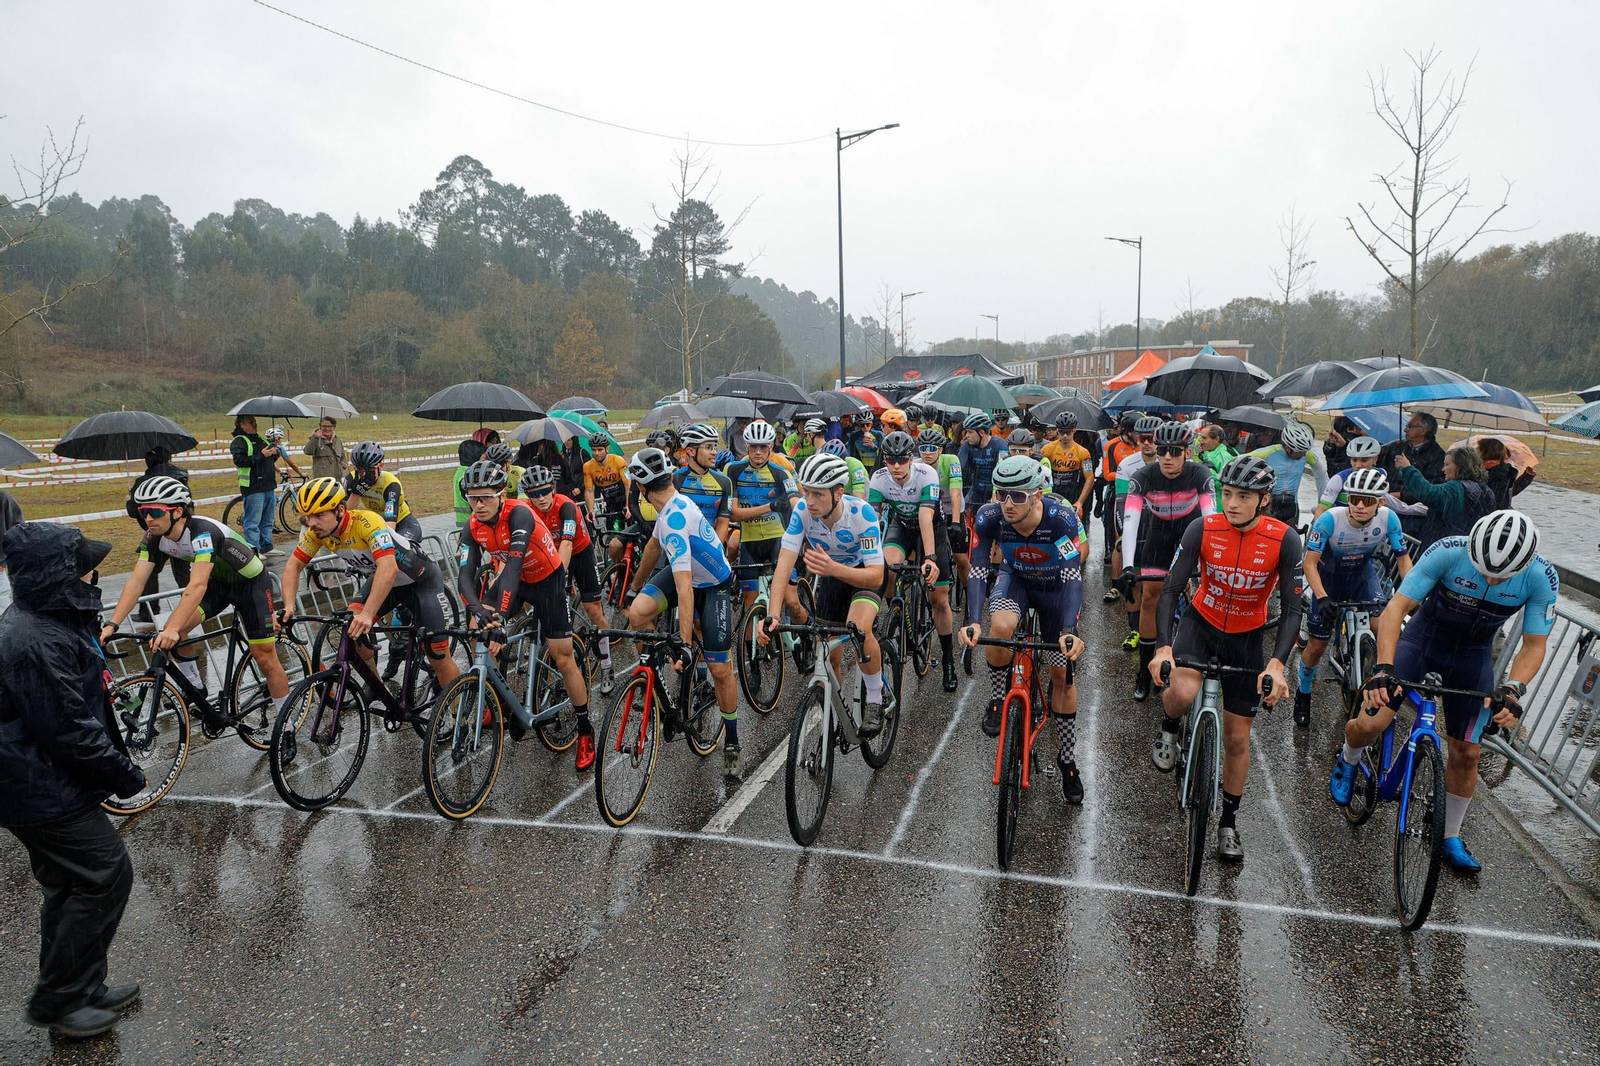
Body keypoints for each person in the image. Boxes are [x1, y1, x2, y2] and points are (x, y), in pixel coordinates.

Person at [1338, 511, 1557, 872]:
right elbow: (1397, 608)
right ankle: (1348, 758)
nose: (1490, 578)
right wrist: (1383, 669)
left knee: (1468, 752)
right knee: (1371, 725)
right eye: (1484, 569)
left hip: (1472, 657)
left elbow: (1534, 644)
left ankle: (1450, 835)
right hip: (1423, 641)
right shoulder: (1449, 550)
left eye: (1501, 576)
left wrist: (1513, 690)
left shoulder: (1541, 577)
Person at [1, 523, 146, 1039]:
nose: (94, 572)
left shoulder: (45, 618)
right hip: (34, 785)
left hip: (39, 778)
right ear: (55, 573)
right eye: (83, 565)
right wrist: (123, 774)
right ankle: (58, 1001)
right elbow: (67, 726)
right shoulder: (31, 638)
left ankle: (81, 987)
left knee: (67, 884)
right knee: (106, 873)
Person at [1149, 455, 1303, 863]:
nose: (1231, 503)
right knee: (1181, 690)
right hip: (1202, 623)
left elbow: (1291, 608)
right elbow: (1170, 589)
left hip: (1248, 635)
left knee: (1237, 738)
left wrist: (1277, 664)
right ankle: (1169, 727)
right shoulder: (1203, 527)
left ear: (1264, 499)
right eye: (1227, 494)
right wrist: (1163, 647)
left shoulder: (1285, 539)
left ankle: (1228, 822)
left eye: (1243, 496)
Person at [100, 476, 291, 732]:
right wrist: (112, 624)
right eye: (142, 511)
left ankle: (286, 724)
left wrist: (171, 629)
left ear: (177, 511)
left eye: (155, 511)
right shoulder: (154, 536)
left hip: (250, 585)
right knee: (175, 630)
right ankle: (196, 690)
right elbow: (136, 581)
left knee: (265, 657)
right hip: (218, 585)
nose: (148, 518)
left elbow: (197, 585)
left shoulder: (202, 531)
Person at [958, 455, 1088, 803]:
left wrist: (1068, 629)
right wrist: (972, 620)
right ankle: (999, 699)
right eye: (1001, 494)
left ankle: (1067, 760)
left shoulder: (1062, 519)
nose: (1007, 503)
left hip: (1055, 590)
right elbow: (978, 570)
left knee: (1061, 675)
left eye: (1017, 496)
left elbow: (1073, 575)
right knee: (998, 626)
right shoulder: (988, 517)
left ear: (1037, 495)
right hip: (1015, 580)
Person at [281, 477, 462, 715]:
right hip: (384, 581)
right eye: (307, 517)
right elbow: (292, 567)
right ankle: (376, 687)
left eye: (318, 515)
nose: (311, 523)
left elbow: (389, 569)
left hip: (419, 581)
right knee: (351, 627)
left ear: (340, 510)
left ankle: (462, 717)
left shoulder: (367, 522)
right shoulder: (318, 533)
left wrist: (368, 614)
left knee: (438, 656)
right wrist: (288, 605)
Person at [624, 448, 743, 779]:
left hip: (712, 584)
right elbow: (652, 548)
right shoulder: (667, 509)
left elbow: (685, 589)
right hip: (688, 574)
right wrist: (632, 589)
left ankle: (732, 741)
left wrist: (686, 644)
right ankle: (656, 682)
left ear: (641, 487)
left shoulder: (675, 521)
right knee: (638, 614)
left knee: (720, 669)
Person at [760, 451, 889, 732]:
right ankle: (833, 710)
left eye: (818, 495)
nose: (809, 501)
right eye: (807, 493)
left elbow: (876, 575)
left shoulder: (861, 514)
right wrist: (772, 614)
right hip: (832, 575)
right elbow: (784, 564)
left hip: (863, 575)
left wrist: (833, 569)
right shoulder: (802, 512)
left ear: (838, 493)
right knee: (829, 653)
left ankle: (877, 699)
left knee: (860, 628)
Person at [1294, 468, 1412, 727]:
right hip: (1329, 580)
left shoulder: (1389, 519)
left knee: (1383, 627)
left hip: (1362, 575)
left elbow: (1403, 560)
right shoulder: (1330, 520)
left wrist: (1412, 594)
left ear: (1380, 502)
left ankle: (1378, 679)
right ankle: (1303, 691)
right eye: (1353, 498)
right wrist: (1322, 597)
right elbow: (1310, 564)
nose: (1359, 505)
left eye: (1367, 500)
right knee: (1318, 646)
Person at [1120, 422, 1217, 700]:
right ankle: (1143, 668)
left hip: (1192, 529)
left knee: (1202, 591)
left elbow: (1211, 518)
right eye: (1162, 451)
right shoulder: (1144, 476)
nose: (1167, 458)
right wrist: (1128, 566)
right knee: (1150, 595)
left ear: (1187, 452)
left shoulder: (1200, 473)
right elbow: (1131, 521)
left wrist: (1211, 562)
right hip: (1159, 532)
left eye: (1174, 452)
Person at [871, 430, 958, 692]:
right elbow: (872, 522)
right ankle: (898, 612)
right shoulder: (878, 479)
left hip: (932, 527)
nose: (896, 466)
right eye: (890, 460)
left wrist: (930, 558)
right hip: (902, 527)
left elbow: (924, 519)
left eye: (902, 460)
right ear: (884, 459)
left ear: (911, 458)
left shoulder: (927, 475)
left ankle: (947, 660)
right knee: (886, 570)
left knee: (939, 601)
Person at [521, 465, 615, 696]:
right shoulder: (525, 510)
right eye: (533, 494)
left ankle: (606, 665)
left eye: (544, 491)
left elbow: (567, 543)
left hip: (578, 552)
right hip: (551, 554)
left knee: (593, 609)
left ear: (553, 488)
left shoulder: (567, 506)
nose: (540, 498)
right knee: (533, 602)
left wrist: (556, 578)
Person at [725, 421, 802, 617]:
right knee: (750, 603)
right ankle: (750, 646)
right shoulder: (733, 470)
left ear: (771, 447)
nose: (757, 452)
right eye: (753, 447)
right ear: (746, 446)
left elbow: (796, 502)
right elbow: (734, 514)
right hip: (749, 542)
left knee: (791, 600)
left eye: (762, 447)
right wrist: (770, 506)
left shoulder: (781, 472)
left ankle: (806, 641)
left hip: (778, 540)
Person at [1110, 416, 1162, 644]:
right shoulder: (1127, 465)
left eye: (1153, 439)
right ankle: (1134, 630)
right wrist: (1123, 536)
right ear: (1136, 440)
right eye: (1143, 438)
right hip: (1138, 522)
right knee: (1135, 581)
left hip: (1164, 525)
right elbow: (1121, 501)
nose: (1148, 443)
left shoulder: (1170, 461)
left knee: (1165, 582)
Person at [124, 447, 190, 624]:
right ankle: (194, 603)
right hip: (182, 529)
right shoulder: (181, 475)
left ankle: (149, 611)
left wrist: (130, 497)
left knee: (149, 571)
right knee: (183, 571)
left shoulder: (142, 482)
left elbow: (132, 511)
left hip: (157, 534)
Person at [1398, 444, 1495, 554]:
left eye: (1447, 464)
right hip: (1469, 550)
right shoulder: (1486, 491)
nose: (1443, 469)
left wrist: (1408, 469)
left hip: (1444, 550)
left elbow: (1429, 494)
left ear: (1460, 466)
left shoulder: (1455, 488)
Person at [1247, 420, 1327, 527]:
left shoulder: (1307, 454)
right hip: (1270, 504)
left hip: (1292, 506)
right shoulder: (1270, 452)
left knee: (1290, 540)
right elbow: (1239, 461)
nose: (1303, 455)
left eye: (1305, 451)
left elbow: (1322, 475)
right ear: (1288, 448)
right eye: (1300, 452)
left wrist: (1322, 505)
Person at [1380, 412, 1447, 540]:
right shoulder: (1398, 446)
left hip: (1411, 522)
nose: (1405, 429)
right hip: (1385, 512)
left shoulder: (1438, 458)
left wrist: (1401, 495)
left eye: (1410, 426)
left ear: (1423, 431)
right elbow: (1374, 455)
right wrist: (1343, 445)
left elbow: (1432, 491)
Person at [343, 441, 423, 543]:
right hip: (379, 524)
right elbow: (345, 516)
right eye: (360, 470)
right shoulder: (352, 479)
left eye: (370, 469)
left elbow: (390, 523)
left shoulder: (390, 483)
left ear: (381, 466)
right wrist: (356, 493)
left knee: (395, 549)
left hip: (403, 524)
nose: (364, 474)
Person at [230, 414, 283, 557]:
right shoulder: (239, 441)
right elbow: (240, 461)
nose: (255, 424)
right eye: (251, 422)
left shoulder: (261, 439)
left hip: (268, 485)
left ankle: (267, 546)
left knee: (268, 520)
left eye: (255, 421)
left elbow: (269, 459)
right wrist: (262, 455)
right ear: (242, 424)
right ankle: (253, 550)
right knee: (253, 522)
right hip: (253, 486)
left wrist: (274, 453)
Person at [584, 432, 631, 560]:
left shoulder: (618, 460)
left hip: (626, 500)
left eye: (600, 449)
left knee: (634, 534)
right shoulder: (588, 467)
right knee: (613, 540)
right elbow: (589, 491)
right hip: (610, 506)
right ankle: (619, 566)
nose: (597, 453)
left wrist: (628, 505)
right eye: (594, 450)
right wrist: (591, 510)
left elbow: (628, 484)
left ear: (607, 449)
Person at [1313, 435, 1384, 519]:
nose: (1358, 465)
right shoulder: (1338, 479)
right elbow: (1321, 511)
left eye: (1364, 460)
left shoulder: (1381, 474)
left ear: (1375, 459)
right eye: (1354, 460)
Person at [1041, 412, 1094, 519]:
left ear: (1074, 430)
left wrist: (1080, 502)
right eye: (1061, 432)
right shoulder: (1047, 449)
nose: (1065, 436)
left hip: (1073, 493)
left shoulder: (1083, 452)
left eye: (1068, 432)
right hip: (1053, 492)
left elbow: (1090, 478)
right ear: (1057, 430)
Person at [1478, 437, 1535, 510]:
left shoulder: (1499, 473)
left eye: (1479, 450)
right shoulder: (1483, 469)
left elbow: (1499, 500)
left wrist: (1527, 477)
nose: (1476, 452)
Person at [453, 430, 495, 526]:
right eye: (483, 458)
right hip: (473, 525)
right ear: (475, 456)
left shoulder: (460, 471)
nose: (484, 461)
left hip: (464, 524)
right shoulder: (468, 476)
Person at [302, 416, 346, 481]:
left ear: (334, 427)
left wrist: (342, 467)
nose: (327, 428)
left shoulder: (338, 441)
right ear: (320, 427)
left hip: (337, 481)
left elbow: (343, 456)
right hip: (321, 482)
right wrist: (315, 438)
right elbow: (307, 451)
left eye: (330, 426)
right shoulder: (316, 440)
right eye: (324, 426)